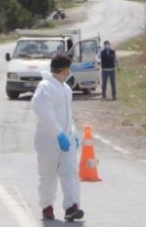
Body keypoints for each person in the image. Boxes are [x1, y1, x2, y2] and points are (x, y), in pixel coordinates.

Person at [31, 53, 84, 222]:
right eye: (67, 71)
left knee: (70, 172)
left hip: (66, 139)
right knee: (48, 175)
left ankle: (71, 207)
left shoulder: (66, 88)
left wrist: (72, 133)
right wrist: (57, 133)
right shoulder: (45, 86)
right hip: (48, 140)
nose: (68, 74)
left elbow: (68, 115)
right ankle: (47, 207)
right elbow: (42, 111)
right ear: (60, 71)